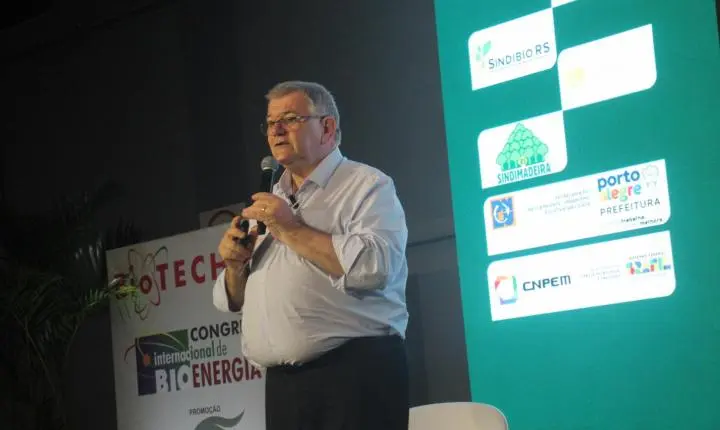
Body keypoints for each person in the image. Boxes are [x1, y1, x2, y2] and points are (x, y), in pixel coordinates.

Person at [212, 80, 410, 430]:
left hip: (354, 377)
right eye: (270, 123)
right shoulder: (271, 198)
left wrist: (291, 228)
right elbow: (235, 299)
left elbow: (376, 266)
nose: (276, 130)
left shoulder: (366, 185)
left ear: (327, 127)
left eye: (289, 119)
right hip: (284, 388)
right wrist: (234, 267)